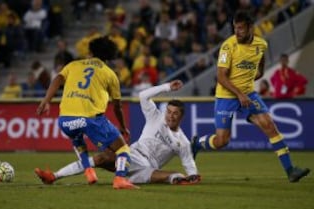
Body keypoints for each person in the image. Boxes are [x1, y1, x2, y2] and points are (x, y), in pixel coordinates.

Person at [191, 11, 310, 183]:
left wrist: (256, 76)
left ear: (250, 28)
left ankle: (290, 170)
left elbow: (260, 65)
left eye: (240, 28)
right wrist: (239, 94)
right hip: (227, 96)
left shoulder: (261, 44)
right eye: (235, 28)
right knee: (222, 141)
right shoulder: (228, 46)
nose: (237, 32)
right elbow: (221, 77)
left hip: (248, 95)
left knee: (269, 125)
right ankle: (197, 143)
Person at [35, 80, 201, 185]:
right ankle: (54, 176)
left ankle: (54, 176)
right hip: (134, 155)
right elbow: (143, 95)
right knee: (102, 157)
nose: (170, 116)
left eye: (175, 113)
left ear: (181, 117)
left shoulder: (183, 142)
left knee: (167, 176)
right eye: (169, 112)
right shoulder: (155, 117)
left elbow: (190, 165)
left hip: (147, 168)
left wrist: (193, 175)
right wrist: (166, 87)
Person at [35, 36, 138, 190]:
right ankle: (120, 179)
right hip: (90, 119)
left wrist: (46, 101)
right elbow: (118, 106)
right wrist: (123, 127)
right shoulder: (110, 74)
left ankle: (87, 171)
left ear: (90, 51)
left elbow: (57, 79)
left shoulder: (73, 65)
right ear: (110, 56)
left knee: (78, 140)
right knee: (122, 149)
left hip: (65, 121)